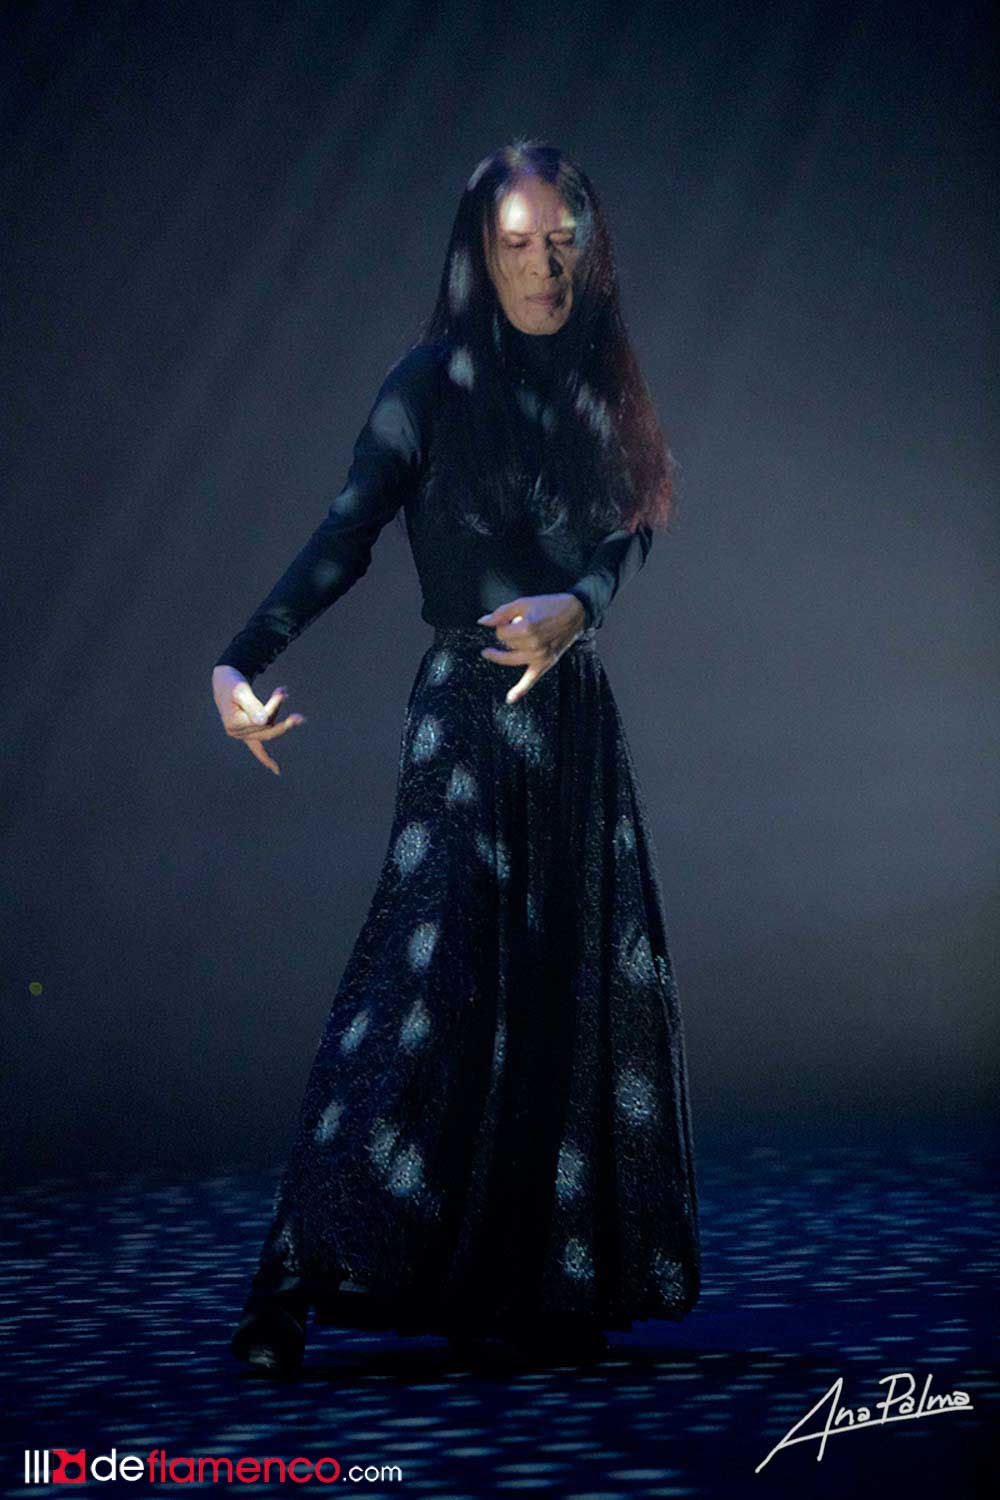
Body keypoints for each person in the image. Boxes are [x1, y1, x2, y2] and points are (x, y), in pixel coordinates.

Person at [212, 139, 700, 1375]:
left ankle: (536, 1285)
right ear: (480, 254)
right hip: (465, 724)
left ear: (590, 249)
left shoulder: (600, 382)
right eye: (518, 245)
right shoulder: (425, 384)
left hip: (573, 726)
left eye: (562, 243)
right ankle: (288, 1285)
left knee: (562, 994)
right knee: (414, 995)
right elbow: (347, 532)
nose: (543, 268)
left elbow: (629, 524)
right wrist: (239, 659)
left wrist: (579, 607)